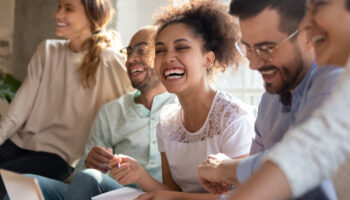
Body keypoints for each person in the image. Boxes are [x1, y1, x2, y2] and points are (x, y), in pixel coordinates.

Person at [198, 0, 350, 199]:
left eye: (266, 48)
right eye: (248, 49)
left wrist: (225, 169)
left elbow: (305, 158)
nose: (252, 64)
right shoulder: (269, 102)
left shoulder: (333, 76)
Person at [7, 26, 177, 200]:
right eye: (129, 51)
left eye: (141, 50)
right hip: (109, 191)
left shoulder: (180, 107)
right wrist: (90, 163)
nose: (131, 59)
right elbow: (81, 172)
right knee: (24, 185)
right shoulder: (112, 111)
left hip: (150, 194)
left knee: (88, 179)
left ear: (163, 56)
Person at [108, 1, 255, 199]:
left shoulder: (234, 117)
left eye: (182, 47)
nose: (168, 58)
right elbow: (174, 191)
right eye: (160, 50)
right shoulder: (167, 123)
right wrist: (139, 174)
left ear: (208, 59)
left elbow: (245, 196)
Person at [0, 0, 132, 198]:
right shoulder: (47, 50)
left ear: (92, 16)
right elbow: (18, 111)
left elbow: (132, 105)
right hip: (17, 143)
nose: (58, 14)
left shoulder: (109, 60)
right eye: (59, 7)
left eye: (68, 8)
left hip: (59, 159)